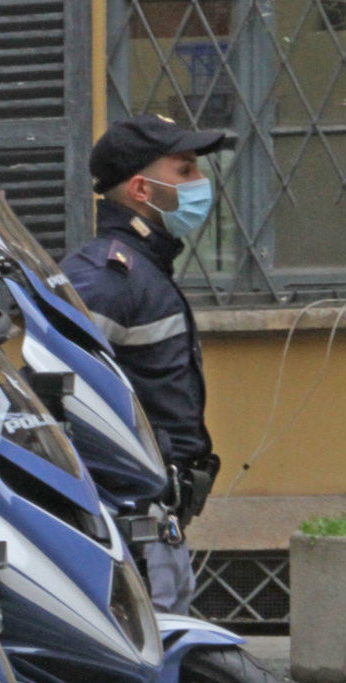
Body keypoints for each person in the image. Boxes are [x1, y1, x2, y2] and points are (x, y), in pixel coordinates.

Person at [62, 115, 233, 614]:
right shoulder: (108, 275)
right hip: (128, 520)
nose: (200, 184)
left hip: (156, 514)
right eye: (184, 171)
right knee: (149, 669)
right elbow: (59, 395)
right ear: (141, 188)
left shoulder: (142, 268)